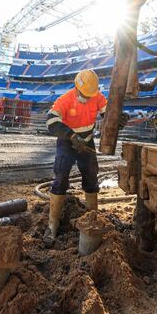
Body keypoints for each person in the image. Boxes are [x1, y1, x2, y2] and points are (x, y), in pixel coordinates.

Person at [43, 69, 126, 247]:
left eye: (90, 95)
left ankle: (92, 217)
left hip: (87, 142)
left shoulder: (97, 96)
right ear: (76, 88)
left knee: (91, 178)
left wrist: (117, 119)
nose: (87, 98)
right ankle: (52, 225)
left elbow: (108, 113)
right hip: (67, 143)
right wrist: (71, 136)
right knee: (60, 179)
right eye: (84, 95)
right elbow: (51, 122)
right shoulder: (65, 100)